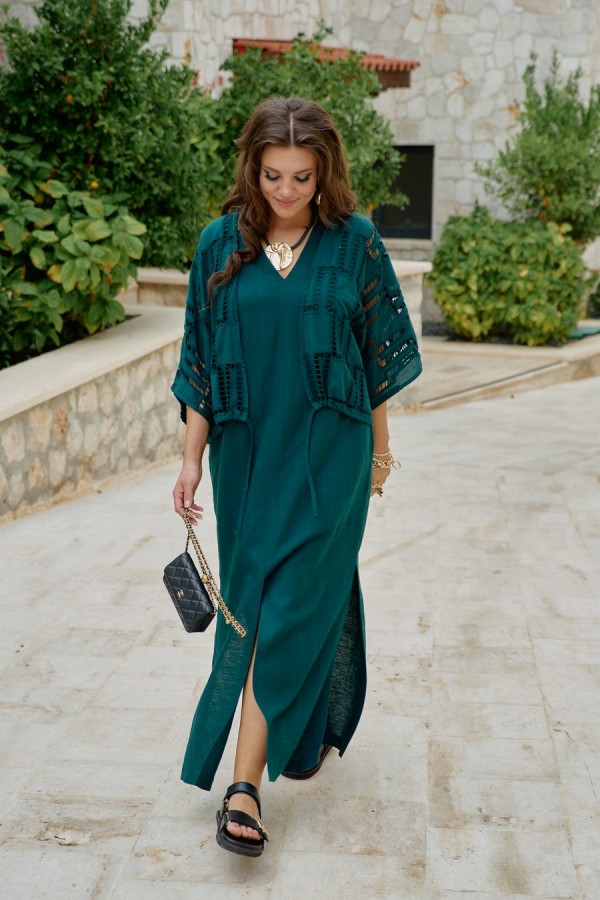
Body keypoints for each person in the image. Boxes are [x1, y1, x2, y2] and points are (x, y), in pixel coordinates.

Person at [171, 96, 422, 858]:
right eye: (273, 175)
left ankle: (243, 787)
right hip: (246, 461)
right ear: (253, 169)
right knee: (259, 601)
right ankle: (304, 734)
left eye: (302, 177)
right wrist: (189, 461)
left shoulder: (355, 243)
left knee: (286, 610)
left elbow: (377, 359)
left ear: (325, 173)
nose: (286, 191)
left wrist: (380, 455)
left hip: (332, 458)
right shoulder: (218, 245)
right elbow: (200, 364)